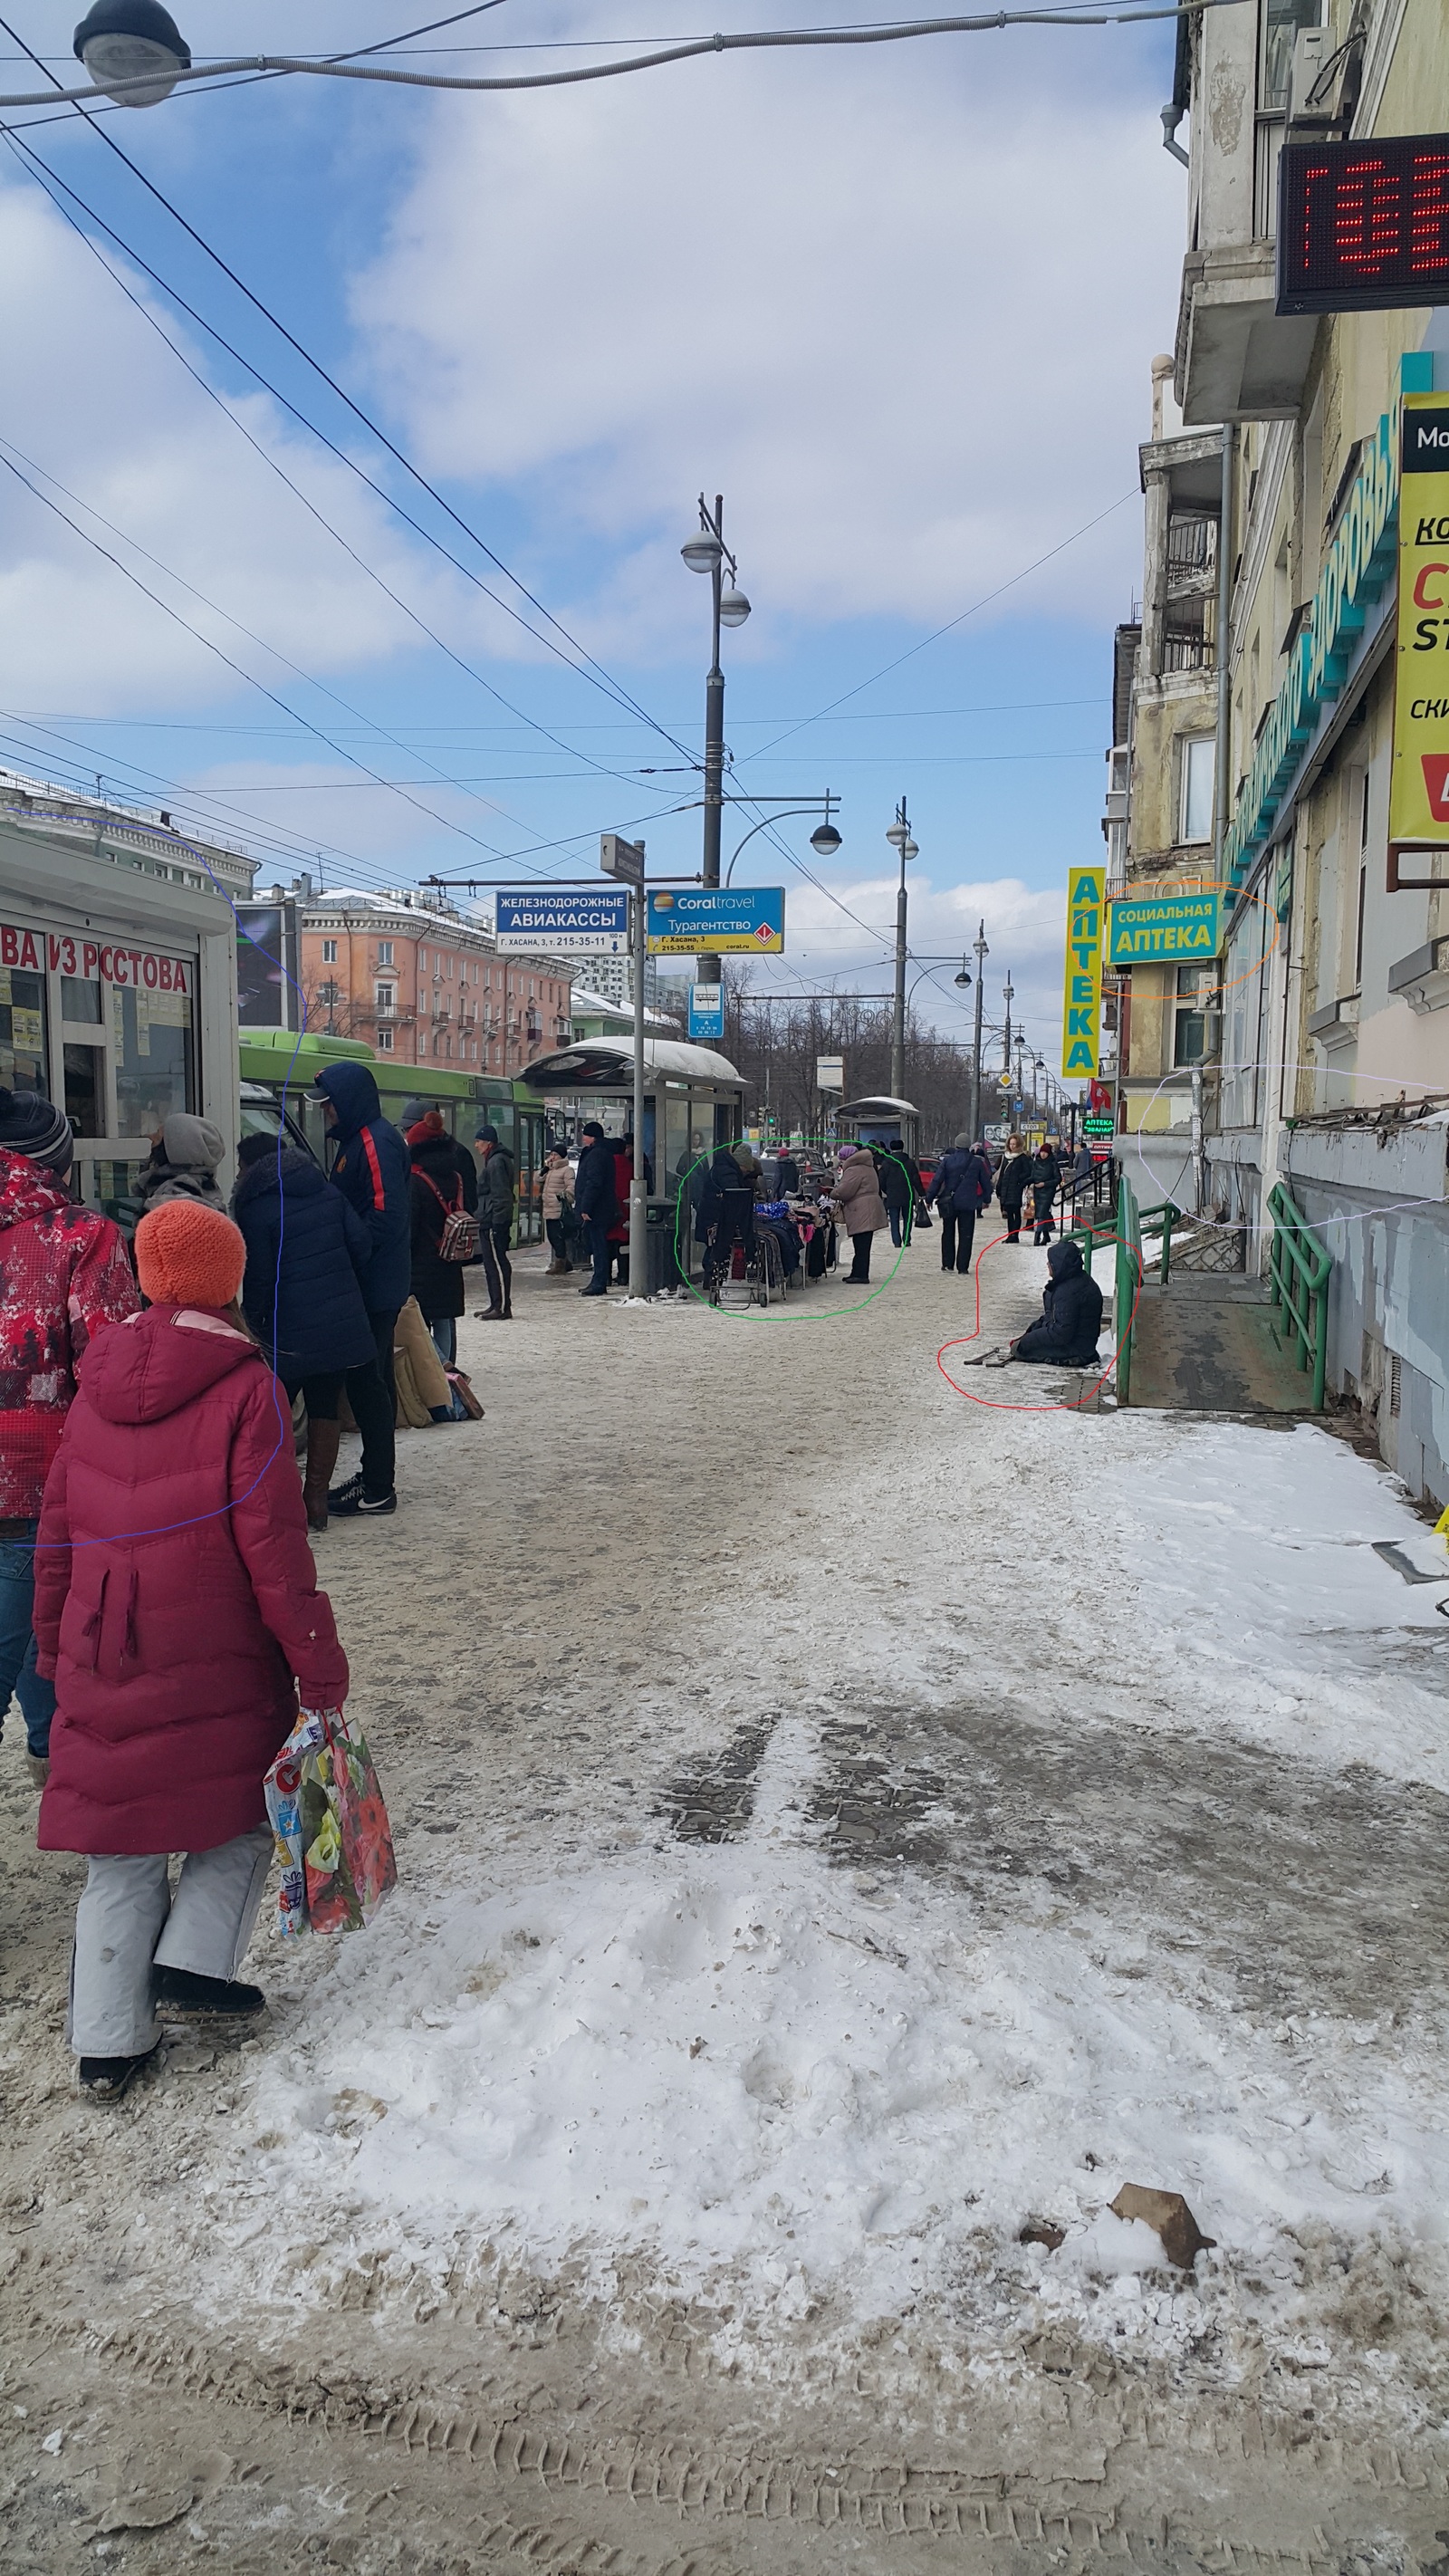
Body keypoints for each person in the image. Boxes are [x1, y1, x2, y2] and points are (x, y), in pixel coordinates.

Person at [34, 1199, 349, 2100]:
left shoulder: (93, 1378)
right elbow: (275, 1550)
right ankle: (194, 1962)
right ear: (227, 1278)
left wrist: (56, 1649)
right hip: (213, 1645)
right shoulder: (244, 1383)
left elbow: (57, 1532)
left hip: (101, 1643)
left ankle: (106, 2043)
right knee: (243, 1820)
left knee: (120, 1849)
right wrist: (317, 1663)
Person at [0, 1089, 139, 1789]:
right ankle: (61, 1761)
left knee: (30, 1630)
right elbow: (113, 1375)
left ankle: (55, 1755)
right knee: (38, 1623)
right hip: (36, 1478)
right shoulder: (82, 1236)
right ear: (56, 1159)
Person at [232, 1132, 389, 1532]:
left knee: (276, 1415)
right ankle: (315, 1500)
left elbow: (260, 1278)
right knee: (324, 1407)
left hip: (289, 1330)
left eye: (240, 1165)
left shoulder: (256, 1208)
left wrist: (255, 1326)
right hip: (339, 1324)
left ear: (254, 1168)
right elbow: (361, 1245)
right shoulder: (327, 1192)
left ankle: (279, 1500)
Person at [314, 1062, 410, 1518]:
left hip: (371, 1284)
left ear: (347, 1100)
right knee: (368, 1380)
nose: (326, 1111)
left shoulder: (374, 1141)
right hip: (368, 1281)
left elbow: (384, 1216)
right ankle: (375, 1476)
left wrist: (348, 1256)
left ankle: (377, 1485)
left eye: (330, 1102)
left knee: (368, 1381)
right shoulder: (358, 1140)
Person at [407, 1116, 470, 1371]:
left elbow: (410, 1226)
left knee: (418, 1322)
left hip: (421, 1263)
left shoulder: (415, 1180)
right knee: (444, 1318)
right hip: (450, 1258)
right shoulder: (456, 1177)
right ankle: (449, 1367)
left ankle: (442, 1366)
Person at [1003, 1237, 1104, 1367]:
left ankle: (1074, 1359)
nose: (1047, 1264)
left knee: (1020, 1350)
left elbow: (1061, 1332)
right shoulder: (1074, 1282)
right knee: (1022, 1346)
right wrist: (1032, 1331)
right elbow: (1054, 1317)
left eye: (1050, 1262)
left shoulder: (1068, 1291)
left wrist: (1028, 1341)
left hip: (1077, 1348)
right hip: (1081, 1343)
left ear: (1058, 1265)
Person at [133, 1112, 227, 1213]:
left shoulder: (173, 1195)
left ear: (176, 1148)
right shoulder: (206, 1186)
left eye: (159, 1135)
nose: (152, 1139)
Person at [928, 1133, 992, 1275]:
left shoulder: (947, 1161)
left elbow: (937, 1180)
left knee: (948, 1232)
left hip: (949, 1202)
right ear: (968, 1145)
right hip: (969, 1203)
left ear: (956, 1144)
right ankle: (963, 1267)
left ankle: (947, 1264)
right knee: (966, 1235)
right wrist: (986, 1200)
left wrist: (929, 1198)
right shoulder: (976, 1162)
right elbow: (986, 1183)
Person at [473, 1124, 516, 1322]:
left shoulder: (496, 1162)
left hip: (492, 1220)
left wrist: (498, 1223)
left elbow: (501, 1195)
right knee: (493, 1262)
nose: (476, 1145)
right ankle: (496, 1304)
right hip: (491, 1217)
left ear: (489, 1143)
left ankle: (500, 1306)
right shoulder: (497, 1159)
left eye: (479, 1141)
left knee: (495, 1263)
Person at [830, 1142, 888, 1283]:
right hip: (868, 1207)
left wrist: (832, 1192)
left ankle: (860, 1274)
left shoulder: (854, 1170)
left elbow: (845, 1191)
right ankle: (857, 1272)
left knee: (861, 1243)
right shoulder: (867, 1166)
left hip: (861, 1209)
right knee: (863, 1242)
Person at [572, 1120, 619, 1297]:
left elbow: (594, 1182)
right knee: (598, 1245)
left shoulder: (597, 1154)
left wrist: (586, 1207)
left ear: (593, 1137)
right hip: (600, 1207)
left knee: (598, 1246)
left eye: (585, 1135)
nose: (583, 1138)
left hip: (597, 1209)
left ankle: (599, 1282)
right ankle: (598, 1280)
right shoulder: (600, 1152)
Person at [879, 1135, 923, 1248]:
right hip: (907, 1194)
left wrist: (887, 1191)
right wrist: (922, 1193)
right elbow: (916, 1180)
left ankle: (896, 1241)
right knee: (908, 1218)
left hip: (892, 1195)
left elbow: (881, 1181)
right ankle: (906, 1239)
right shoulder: (909, 1163)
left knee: (894, 1219)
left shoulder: (886, 1163)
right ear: (902, 1148)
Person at [541, 1148, 574, 1274]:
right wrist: (545, 1168)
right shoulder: (550, 1169)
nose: (552, 1157)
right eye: (551, 1154)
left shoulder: (567, 1170)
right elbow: (537, 1179)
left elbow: (571, 1187)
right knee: (551, 1236)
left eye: (555, 1155)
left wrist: (564, 1196)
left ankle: (560, 1264)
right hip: (548, 1208)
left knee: (557, 1237)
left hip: (558, 1209)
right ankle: (565, 1263)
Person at [995, 1134, 1032, 1245]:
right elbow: (1002, 1173)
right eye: (1010, 1144)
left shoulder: (1022, 1158)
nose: (1012, 1146)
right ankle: (1010, 1234)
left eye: (1014, 1144)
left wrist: (1019, 1181)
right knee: (1009, 1213)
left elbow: (1027, 1173)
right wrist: (999, 1187)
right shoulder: (1005, 1157)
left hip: (1015, 1189)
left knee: (1015, 1211)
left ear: (1019, 1144)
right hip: (1006, 1188)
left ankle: (1015, 1235)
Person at [1029, 1139, 1060, 1246]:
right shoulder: (1036, 1162)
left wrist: (1045, 1184)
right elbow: (1032, 1176)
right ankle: (1046, 1236)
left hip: (1048, 1192)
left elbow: (1057, 1179)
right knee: (1042, 1214)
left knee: (1041, 1214)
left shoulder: (1052, 1163)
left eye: (1045, 1152)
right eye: (1042, 1152)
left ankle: (1037, 1237)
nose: (1043, 1154)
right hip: (1037, 1191)